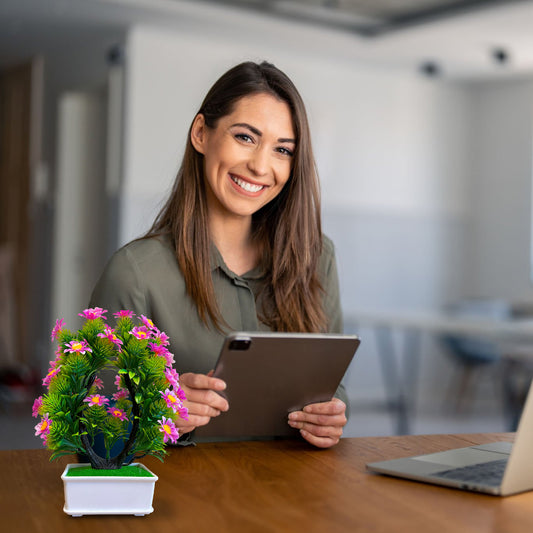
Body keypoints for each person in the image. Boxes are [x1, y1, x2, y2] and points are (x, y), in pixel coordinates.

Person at [90, 60, 348, 448]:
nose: (261, 165)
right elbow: (90, 427)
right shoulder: (135, 273)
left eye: (282, 149)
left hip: (294, 498)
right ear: (200, 134)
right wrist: (155, 417)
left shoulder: (317, 258)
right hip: (181, 501)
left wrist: (330, 415)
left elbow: (332, 386)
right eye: (245, 137)